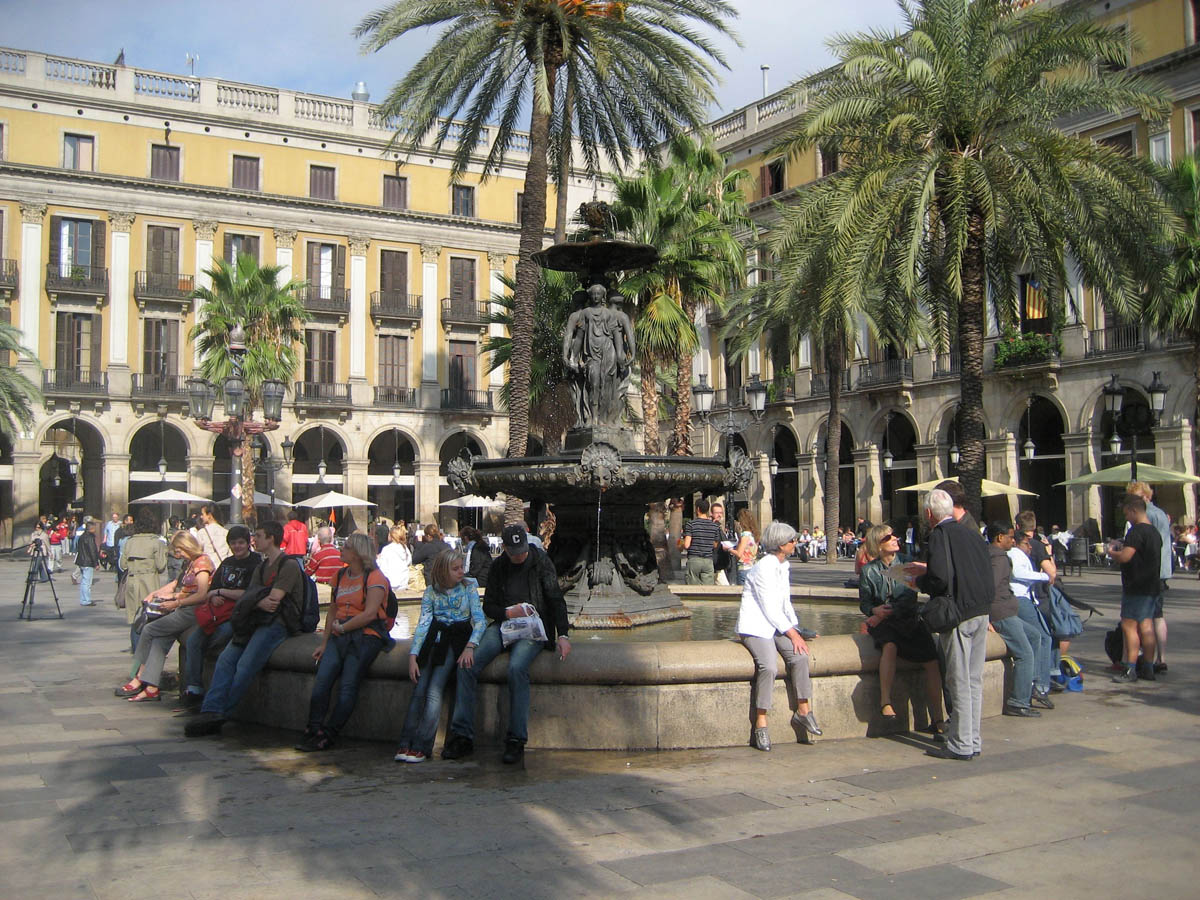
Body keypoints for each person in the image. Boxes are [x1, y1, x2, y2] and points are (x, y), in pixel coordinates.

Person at [441, 524, 571, 765]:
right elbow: (489, 606)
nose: (520, 556)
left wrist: (563, 634)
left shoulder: (541, 562)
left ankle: (516, 739)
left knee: (516, 668)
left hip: (533, 629)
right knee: (467, 665)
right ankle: (462, 736)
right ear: (505, 549)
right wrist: (508, 613)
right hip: (504, 625)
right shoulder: (499, 566)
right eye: (515, 553)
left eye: (523, 551)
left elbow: (555, 598)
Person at [185, 520, 309, 737]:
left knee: (245, 664)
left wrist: (254, 599)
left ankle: (222, 713)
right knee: (225, 659)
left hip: (277, 623)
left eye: (258, 536)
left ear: (271, 538)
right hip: (255, 619)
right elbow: (251, 598)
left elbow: (273, 600)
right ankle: (210, 709)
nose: (254, 540)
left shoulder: (288, 565)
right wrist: (256, 600)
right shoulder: (262, 566)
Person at [907, 489, 992, 761]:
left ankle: (960, 744)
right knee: (974, 680)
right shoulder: (971, 533)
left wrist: (919, 581)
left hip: (958, 615)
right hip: (980, 611)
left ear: (929, 513)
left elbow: (940, 578)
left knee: (958, 681)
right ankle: (973, 739)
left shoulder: (939, 535)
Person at [297, 533, 391, 751]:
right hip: (339, 635)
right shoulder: (340, 575)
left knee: (348, 686)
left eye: (346, 547)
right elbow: (332, 610)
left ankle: (329, 733)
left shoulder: (375, 578)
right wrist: (324, 642)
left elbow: (370, 614)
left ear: (357, 554)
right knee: (322, 682)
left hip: (365, 636)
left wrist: (343, 628)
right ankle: (313, 728)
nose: (342, 549)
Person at [395, 549, 487, 763]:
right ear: (443, 571)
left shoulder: (469, 588)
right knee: (419, 689)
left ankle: (422, 745)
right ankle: (405, 742)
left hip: (455, 642)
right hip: (433, 642)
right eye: (455, 569)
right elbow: (423, 623)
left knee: (434, 690)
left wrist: (470, 646)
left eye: (461, 567)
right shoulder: (431, 592)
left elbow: (480, 621)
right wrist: (413, 655)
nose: (461, 572)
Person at [737, 521, 821, 751]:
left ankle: (803, 710)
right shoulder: (764, 567)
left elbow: (785, 603)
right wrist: (793, 634)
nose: (796, 543)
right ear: (781, 544)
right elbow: (770, 607)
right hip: (755, 627)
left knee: (800, 657)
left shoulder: (783, 566)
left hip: (776, 627)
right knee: (769, 667)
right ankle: (761, 721)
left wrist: (796, 629)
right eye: (792, 540)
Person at [858, 524, 943, 731]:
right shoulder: (869, 571)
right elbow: (865, 602)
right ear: (878, 545)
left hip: (907, 619)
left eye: (894, 535)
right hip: (886, 623)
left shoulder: (906, 562)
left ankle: (938, 718)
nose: (895, 539)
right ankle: (885, 701)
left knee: (932, 660)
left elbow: (909, 597)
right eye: (888, 537)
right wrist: (874, 611)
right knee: (889, 645)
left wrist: (883, 613)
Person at [117, 532, 215, 702]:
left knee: (150, 629)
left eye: (179, 551)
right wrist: (155, 593)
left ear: (186, 546)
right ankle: (151, 688)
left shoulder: (202, 563)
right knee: (160, 641)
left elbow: (202, 594)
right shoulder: (189, 563)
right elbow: (176, 584)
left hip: (193, 610)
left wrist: (176, 602)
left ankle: (139, 676)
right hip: (184, 607)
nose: (178, 555)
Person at [180, 525, 260, 709]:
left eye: (241, 543)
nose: (237, 546)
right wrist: (214, 595)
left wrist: (221, 592)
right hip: (217, 613)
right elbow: (211, 589)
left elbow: (249, 594)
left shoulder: (255, 563)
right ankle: (194, 687)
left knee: (222, 634)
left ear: (248, 543)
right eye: (233, 543)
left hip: (237, 615)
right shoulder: (227, 563)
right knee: (193, 641)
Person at [988, 522, 1049, 718]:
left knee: (1035, 636)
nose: (1013, 541)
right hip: (1002, 613)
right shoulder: (998, 559)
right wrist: (986, 618)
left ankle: (1029, 686)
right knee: (1025, 654)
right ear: (999, 537)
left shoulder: (996, 556)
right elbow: (990, 588)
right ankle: (1018, 701)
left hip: (1006, 610)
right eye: (1010, 537)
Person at [1107, 494, 1162, 684]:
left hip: (1136, 586)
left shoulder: (1136, 531)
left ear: (1133, 510)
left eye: (1126, 514)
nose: (1127, 518)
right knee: (1147, 626)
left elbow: (1126, 556)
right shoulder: (1154, 532)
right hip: (1152, 585)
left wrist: (1112, 552)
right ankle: (1148, 667)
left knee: (1129, 626)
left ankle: (1129, 668)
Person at [1007, 529, 1055, 706]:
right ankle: (1039, 684)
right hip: (1021, 599)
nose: (1030, 547)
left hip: (1024, 599)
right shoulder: (1015, 553)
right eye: (1027, 544)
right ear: (1017, 543)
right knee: (1042, 637)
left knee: (1040, 636)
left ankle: (1038, 682)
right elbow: (1018, 573)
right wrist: (1044, 576)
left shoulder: (1016, 554)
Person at [1127, 481, 1171, 674]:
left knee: (1143, 618)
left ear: (1145, 497)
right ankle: (1161, 658)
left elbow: (1145, 544)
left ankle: (1145, 660)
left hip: (1150, 571)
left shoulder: (1147, 515)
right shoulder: (1161, 513)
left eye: (1135, 497)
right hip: (1162, 570)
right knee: (1157, 616)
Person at [120, 510, 170, 652]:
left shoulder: (130, 542)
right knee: (150, 615)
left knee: (135, 617)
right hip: (149, 581)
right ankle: (147, 650)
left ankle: (136, 649)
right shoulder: (156, 542)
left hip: (132, 580)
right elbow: (161, 566)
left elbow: (123, 564)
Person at [682, 498, 722, 585]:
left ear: (698, 509)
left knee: (693, 589)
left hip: (694, 559)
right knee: (708, 590)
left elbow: (686, 545)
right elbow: (715, 545)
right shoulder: (714, 526)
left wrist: (680, 545)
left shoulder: (691, 524)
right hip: (708, 561)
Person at [191, 504, 230, 571]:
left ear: (209, 515)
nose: (201, 516)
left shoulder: (202, 532)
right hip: (222, 568)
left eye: (203, 514)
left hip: (208, 569)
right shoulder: (226, 532)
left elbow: (197, 552)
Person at [377, 524, 413, 594]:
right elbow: (409, 562)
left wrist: (378, 559)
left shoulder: (387, 549)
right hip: (403, 582)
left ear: (391, 536)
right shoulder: (405, 548)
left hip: (390, 583)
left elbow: (382, 567)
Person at [75, 520, 101, 607]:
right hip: (87, 562)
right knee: (87, 582)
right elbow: (92, 551)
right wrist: (96, 563)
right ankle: (86, 600)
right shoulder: (90, 538)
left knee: (83, 582)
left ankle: (83, 599)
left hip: (81, 561)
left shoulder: (82, 537)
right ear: (92, 528)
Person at [733, 508, 760, 586]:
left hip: (744, 567)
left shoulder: (745, 535)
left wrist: (729, 549)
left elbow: (739, 554)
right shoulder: (755, 534)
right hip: (753, 567)